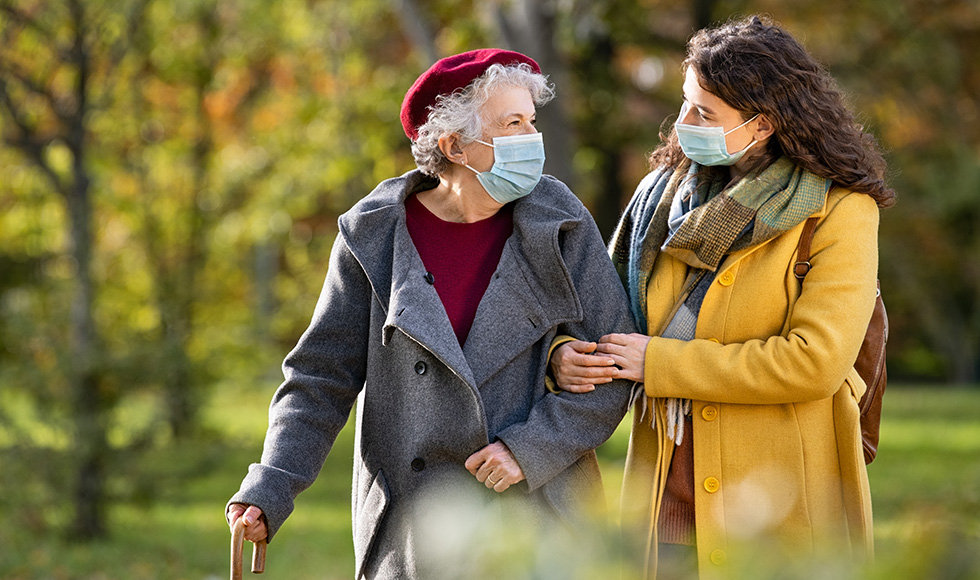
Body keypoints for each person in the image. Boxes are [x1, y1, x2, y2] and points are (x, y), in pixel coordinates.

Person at [225, 49, 636, 580]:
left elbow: (615, 362)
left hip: (540, 516)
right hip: (413, 527)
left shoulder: (559, 221)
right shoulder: (373, 237)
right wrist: (272, 483)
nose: (531, 139)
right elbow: (320, 379)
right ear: (454, 145)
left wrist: (530, 448)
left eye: (531, 122)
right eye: (513, 124)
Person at [550, 15, 895, 580]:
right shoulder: (659, 200)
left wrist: (658, 363)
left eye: (704, 113)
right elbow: (597, 314)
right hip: (665, 493)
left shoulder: (839, 211)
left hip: (777, 500)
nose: (683, 123)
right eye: (685, 103)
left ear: (761, 125)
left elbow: (814, 361)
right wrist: (564, 354)